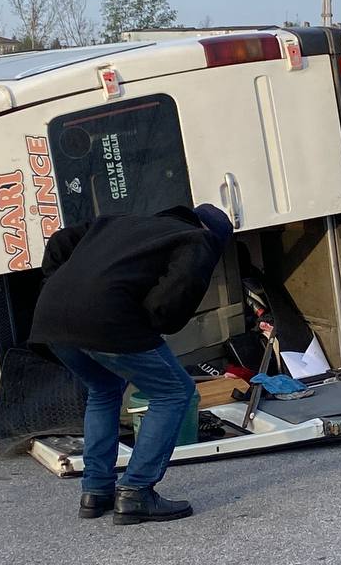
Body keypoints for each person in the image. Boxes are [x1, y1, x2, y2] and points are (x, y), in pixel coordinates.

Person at [30, 204, 234, 525]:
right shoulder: (198, 239)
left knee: (104, 389)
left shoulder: (118, 220)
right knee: (174, 392)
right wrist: (149, 319)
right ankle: (136, 491)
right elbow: (174, 298)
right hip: (109, 319)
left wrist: (56, 283)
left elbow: (59, 241)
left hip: (51, 318)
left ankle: (95, 490)